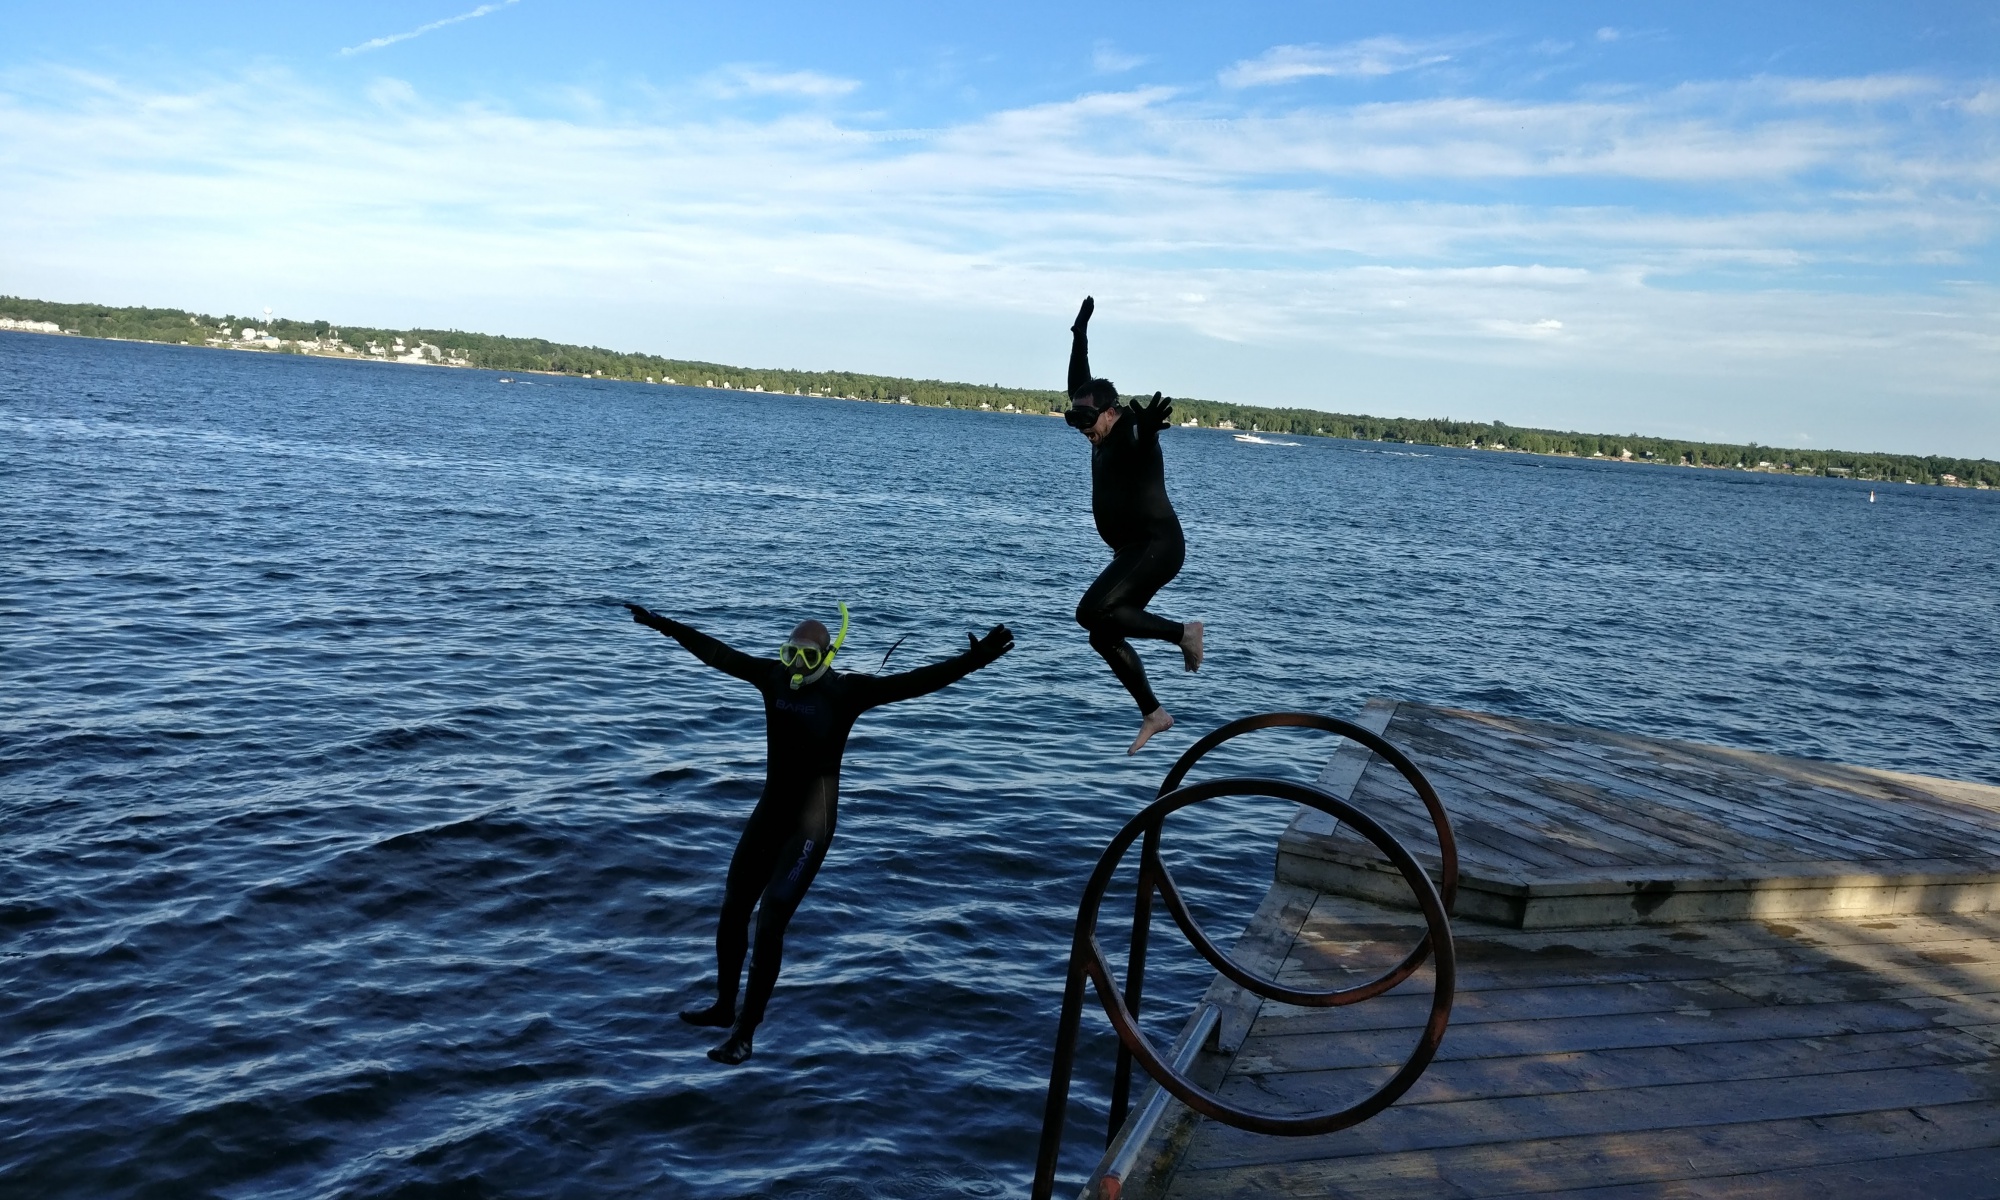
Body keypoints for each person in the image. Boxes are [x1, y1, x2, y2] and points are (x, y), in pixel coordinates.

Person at [623, 600, 1013, 1064]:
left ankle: (745, 1034)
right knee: (733, 908)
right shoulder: (771, 677)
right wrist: (664, 624)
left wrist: (975, 659)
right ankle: (725, 1007)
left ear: (826, 657)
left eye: (807, 657)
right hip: (769, 814)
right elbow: (718, 653)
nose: (795, 665)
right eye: (790, 653)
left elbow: (915, 682)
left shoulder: (846, 692)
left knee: (770, 921)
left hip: (810, 825)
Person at [1062, 296, 1203, 755]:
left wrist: (1149, 429)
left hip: (1156, 545)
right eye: (1077, 422)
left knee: (1089, 611)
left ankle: (1184, 633)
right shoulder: (1097, 419)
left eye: (1089, 422)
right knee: (1102, 632)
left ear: (1111, 412)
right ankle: (1154, 713)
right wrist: (1080, 333)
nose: (1085, 432)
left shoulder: (1130, 433)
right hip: (1132, 550)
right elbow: (1080, 381)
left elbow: (1142, 444)